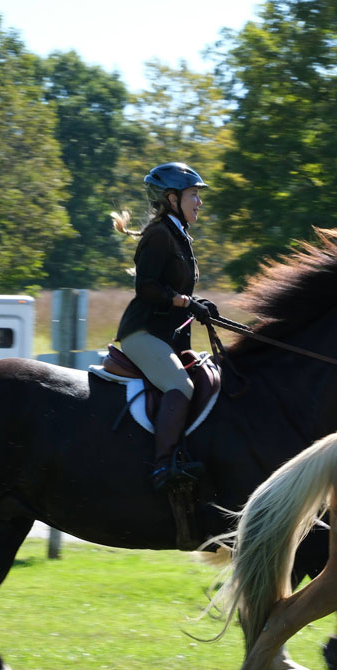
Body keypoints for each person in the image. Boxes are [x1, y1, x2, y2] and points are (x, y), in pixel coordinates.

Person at [112, 162, 218, 491]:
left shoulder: (178, 235)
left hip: (167, 334)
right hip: (142, 333)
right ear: (172, 199)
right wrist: (186, 302)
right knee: (181, 386)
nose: (199, 202)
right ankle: (163, 467)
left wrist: (197, 302)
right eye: (193, 195)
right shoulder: (160, 235)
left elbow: (173, 288)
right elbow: (147, 287)